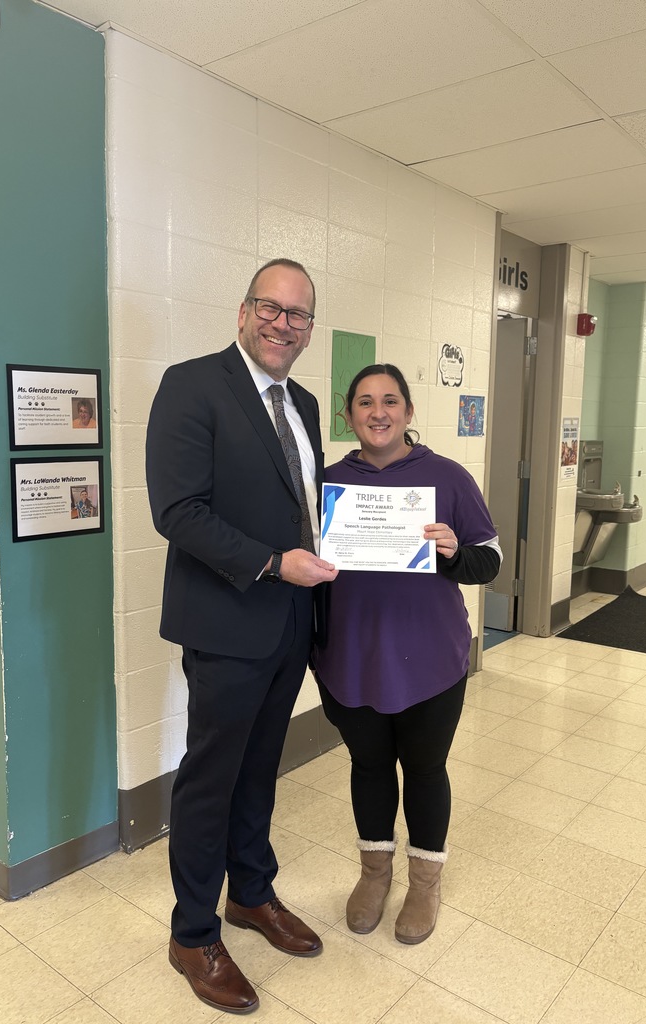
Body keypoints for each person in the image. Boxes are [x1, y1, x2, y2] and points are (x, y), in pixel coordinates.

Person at [146, 259, 338, 1014]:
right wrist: (269, 563)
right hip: (227, 622)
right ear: (243, 311)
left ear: (309, 329)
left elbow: (306, 503)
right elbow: (178, 510)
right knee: (210, 780)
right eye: (271, 307)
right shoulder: (192, 385)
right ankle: (192, 933)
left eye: (298, 315)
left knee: (263, 769)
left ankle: (250, 895)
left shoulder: (308, 404)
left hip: (292, 622)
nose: (282, 323)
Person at [312, 364, 501, 945]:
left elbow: (488, 560)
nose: (378, 412)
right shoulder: (326, 484)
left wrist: (451, 553)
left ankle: (424, 882)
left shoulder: (447, 477)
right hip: (350, 657)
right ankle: (374, 874)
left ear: (409, 412)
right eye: (365, 402)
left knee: (424, 770)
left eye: (390, 400)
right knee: (367, 768)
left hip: (432, 660)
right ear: (349, 417)